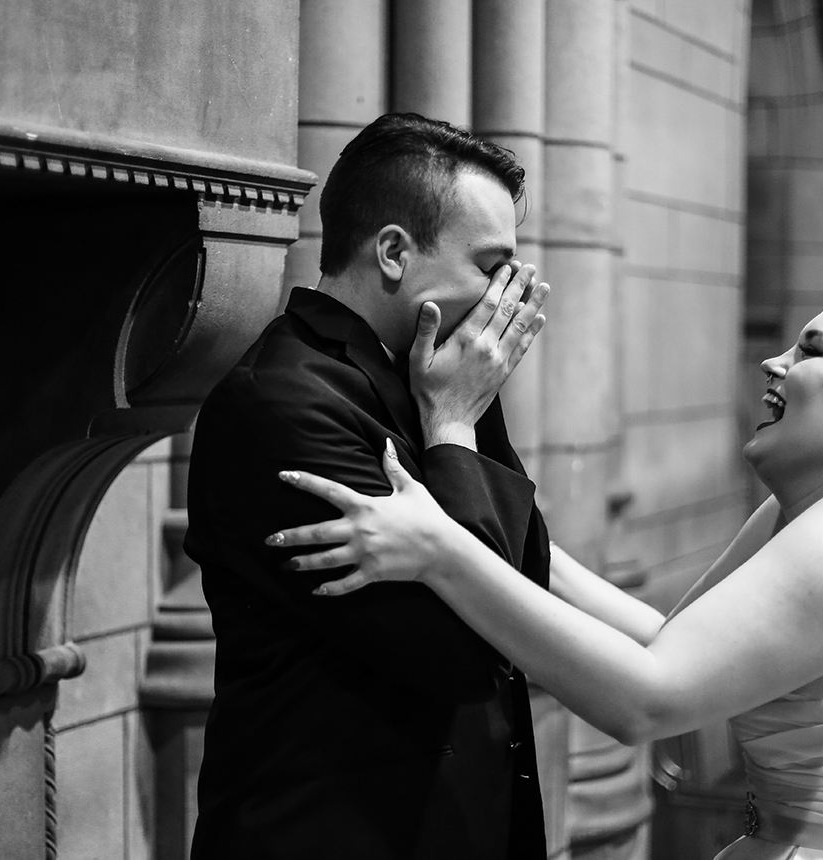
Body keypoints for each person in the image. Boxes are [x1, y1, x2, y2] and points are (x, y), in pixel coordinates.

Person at [272, 281, 823, 860]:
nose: (772, 360)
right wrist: (472, 507)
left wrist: (440, 554)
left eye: (810, 348)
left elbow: (646, 700)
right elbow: (675, 640)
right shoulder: (821, 514)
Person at [183, 112, 552, 860]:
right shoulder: (283, 403)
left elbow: (526, 585)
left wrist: (465, 405)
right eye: (491, 267)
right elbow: (465, 649)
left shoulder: (428, 377)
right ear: (393, 253)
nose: (509, 298)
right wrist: (450, 425)